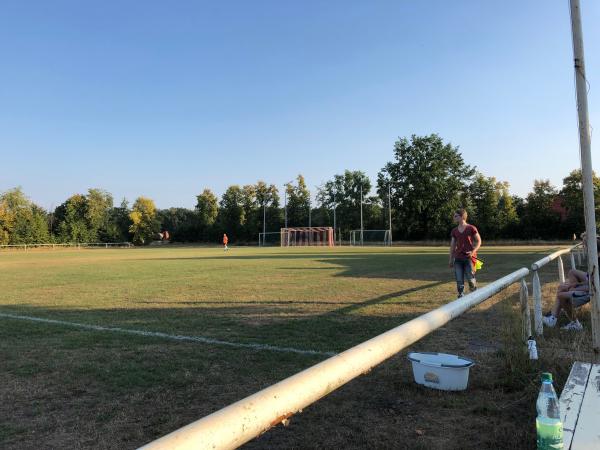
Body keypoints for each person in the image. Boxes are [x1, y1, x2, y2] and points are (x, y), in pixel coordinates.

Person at [449, 208, 482, 298]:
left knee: (471, 280)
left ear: (462, 217)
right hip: (458, 259)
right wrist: (451, 259)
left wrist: (473, 251)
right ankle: (461, 295)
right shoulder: (454, 231)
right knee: (459, 280)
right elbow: (452, 246)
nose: (454, 217)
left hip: (469, 258)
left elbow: (479, 241)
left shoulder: (471, 228)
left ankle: (474, 292)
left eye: (456, 216)